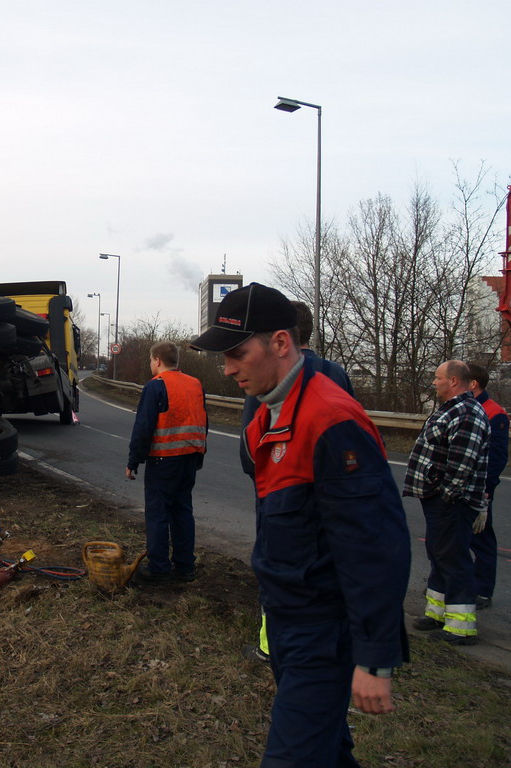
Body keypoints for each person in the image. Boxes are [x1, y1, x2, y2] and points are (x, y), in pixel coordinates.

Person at [191, 283, 411, 767]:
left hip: (322, 630)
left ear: (281, 343)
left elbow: (374, 545)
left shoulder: (331, 420)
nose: (227, 370)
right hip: (286, 619)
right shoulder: (268, 414)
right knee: (327, 751)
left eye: (236, 354)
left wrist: (374, 657)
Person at [241, 300, 355, 663]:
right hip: (334, 496)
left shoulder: (267, 376)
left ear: (281, 337)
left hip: (281, 495)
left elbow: (250, 449)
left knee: (278, 570)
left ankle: (269, 644)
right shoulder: (336, 373)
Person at [403, 360, 490, 645]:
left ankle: (461, 627)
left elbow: (462, 463)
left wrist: (446, 494)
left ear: (454, 381)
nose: (434, 382)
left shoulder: (465, 412)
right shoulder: (452, 409)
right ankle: (438, 613)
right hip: (440, 499)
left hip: (452, 501)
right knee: (439, 554)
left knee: (453, 559)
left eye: (437, 378)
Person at [126, 341, 208, 584]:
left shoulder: (156, 387)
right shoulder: (195, 384)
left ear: (158, 360)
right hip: (190, 457)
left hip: (163, 460)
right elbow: (204, 421)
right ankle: (185, 566)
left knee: (158, 513)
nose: (151, 365)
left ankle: (159, 568)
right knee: (182, 510)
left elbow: (143, 427)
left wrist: (134, 460)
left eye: (151, 360)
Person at [466, 362, 509, 610]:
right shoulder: (466, 408)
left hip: (479, 489)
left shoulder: (494, 413)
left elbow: (496, 458)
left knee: (481, 539)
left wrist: (485, 492)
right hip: (464, 487)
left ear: (473, 384)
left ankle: (482, 590)